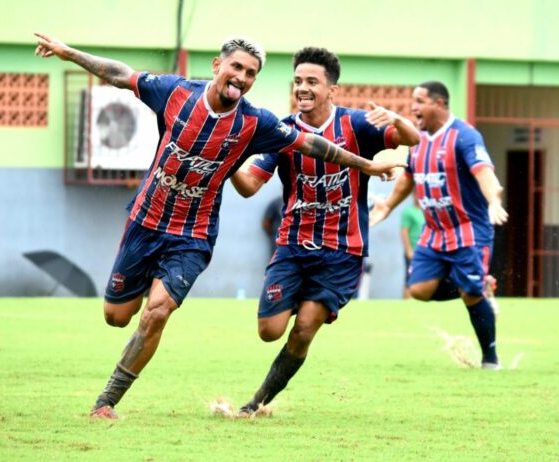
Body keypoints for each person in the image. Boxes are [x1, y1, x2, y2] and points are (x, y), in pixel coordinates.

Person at [33, 33, 404, 420]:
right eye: (237, 67)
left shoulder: (256, 122)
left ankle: (106, 402)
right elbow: (121, 74)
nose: (241, 77)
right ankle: (141, 303)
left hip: (192, 236)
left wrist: (368, 165)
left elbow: (310, 144)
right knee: (116, 316)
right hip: (145, 221)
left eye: (250, 73)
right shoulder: (174, 93)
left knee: (158, 312)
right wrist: (69, 52)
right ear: (217, 65)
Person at [229, 47, 420, 416]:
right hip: (292, 247)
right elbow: (250, 185)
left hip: (341, 251)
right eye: (297, 81)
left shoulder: (357, 125)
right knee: (269, 331)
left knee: (303, 330)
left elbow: (410, 139)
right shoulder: (281, 132)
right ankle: (300, 298)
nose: (302, 88)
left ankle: (256, 404)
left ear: (331, 89)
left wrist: (395, 116)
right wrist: (229, 164)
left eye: (311, 82)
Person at [370, 80, 508, 370]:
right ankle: (477, 284)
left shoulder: (465, 136)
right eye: (413, 101)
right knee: (418, 290)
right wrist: (387, 206)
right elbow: (408, 178)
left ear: (440, 104)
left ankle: (490, 359)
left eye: (420, 101)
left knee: (471, 295)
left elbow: (484, 173)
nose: (413, 107)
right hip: (435, 232)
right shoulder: (417, 140)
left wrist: (494, 199)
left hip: (469, 229)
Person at [400, 198, 425, 298]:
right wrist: (409, 250)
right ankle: (406, 304)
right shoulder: (408, 211)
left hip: (425, 251)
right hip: (413, 251)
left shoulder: (427, 211)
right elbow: (404, 231)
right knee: (409, 278)